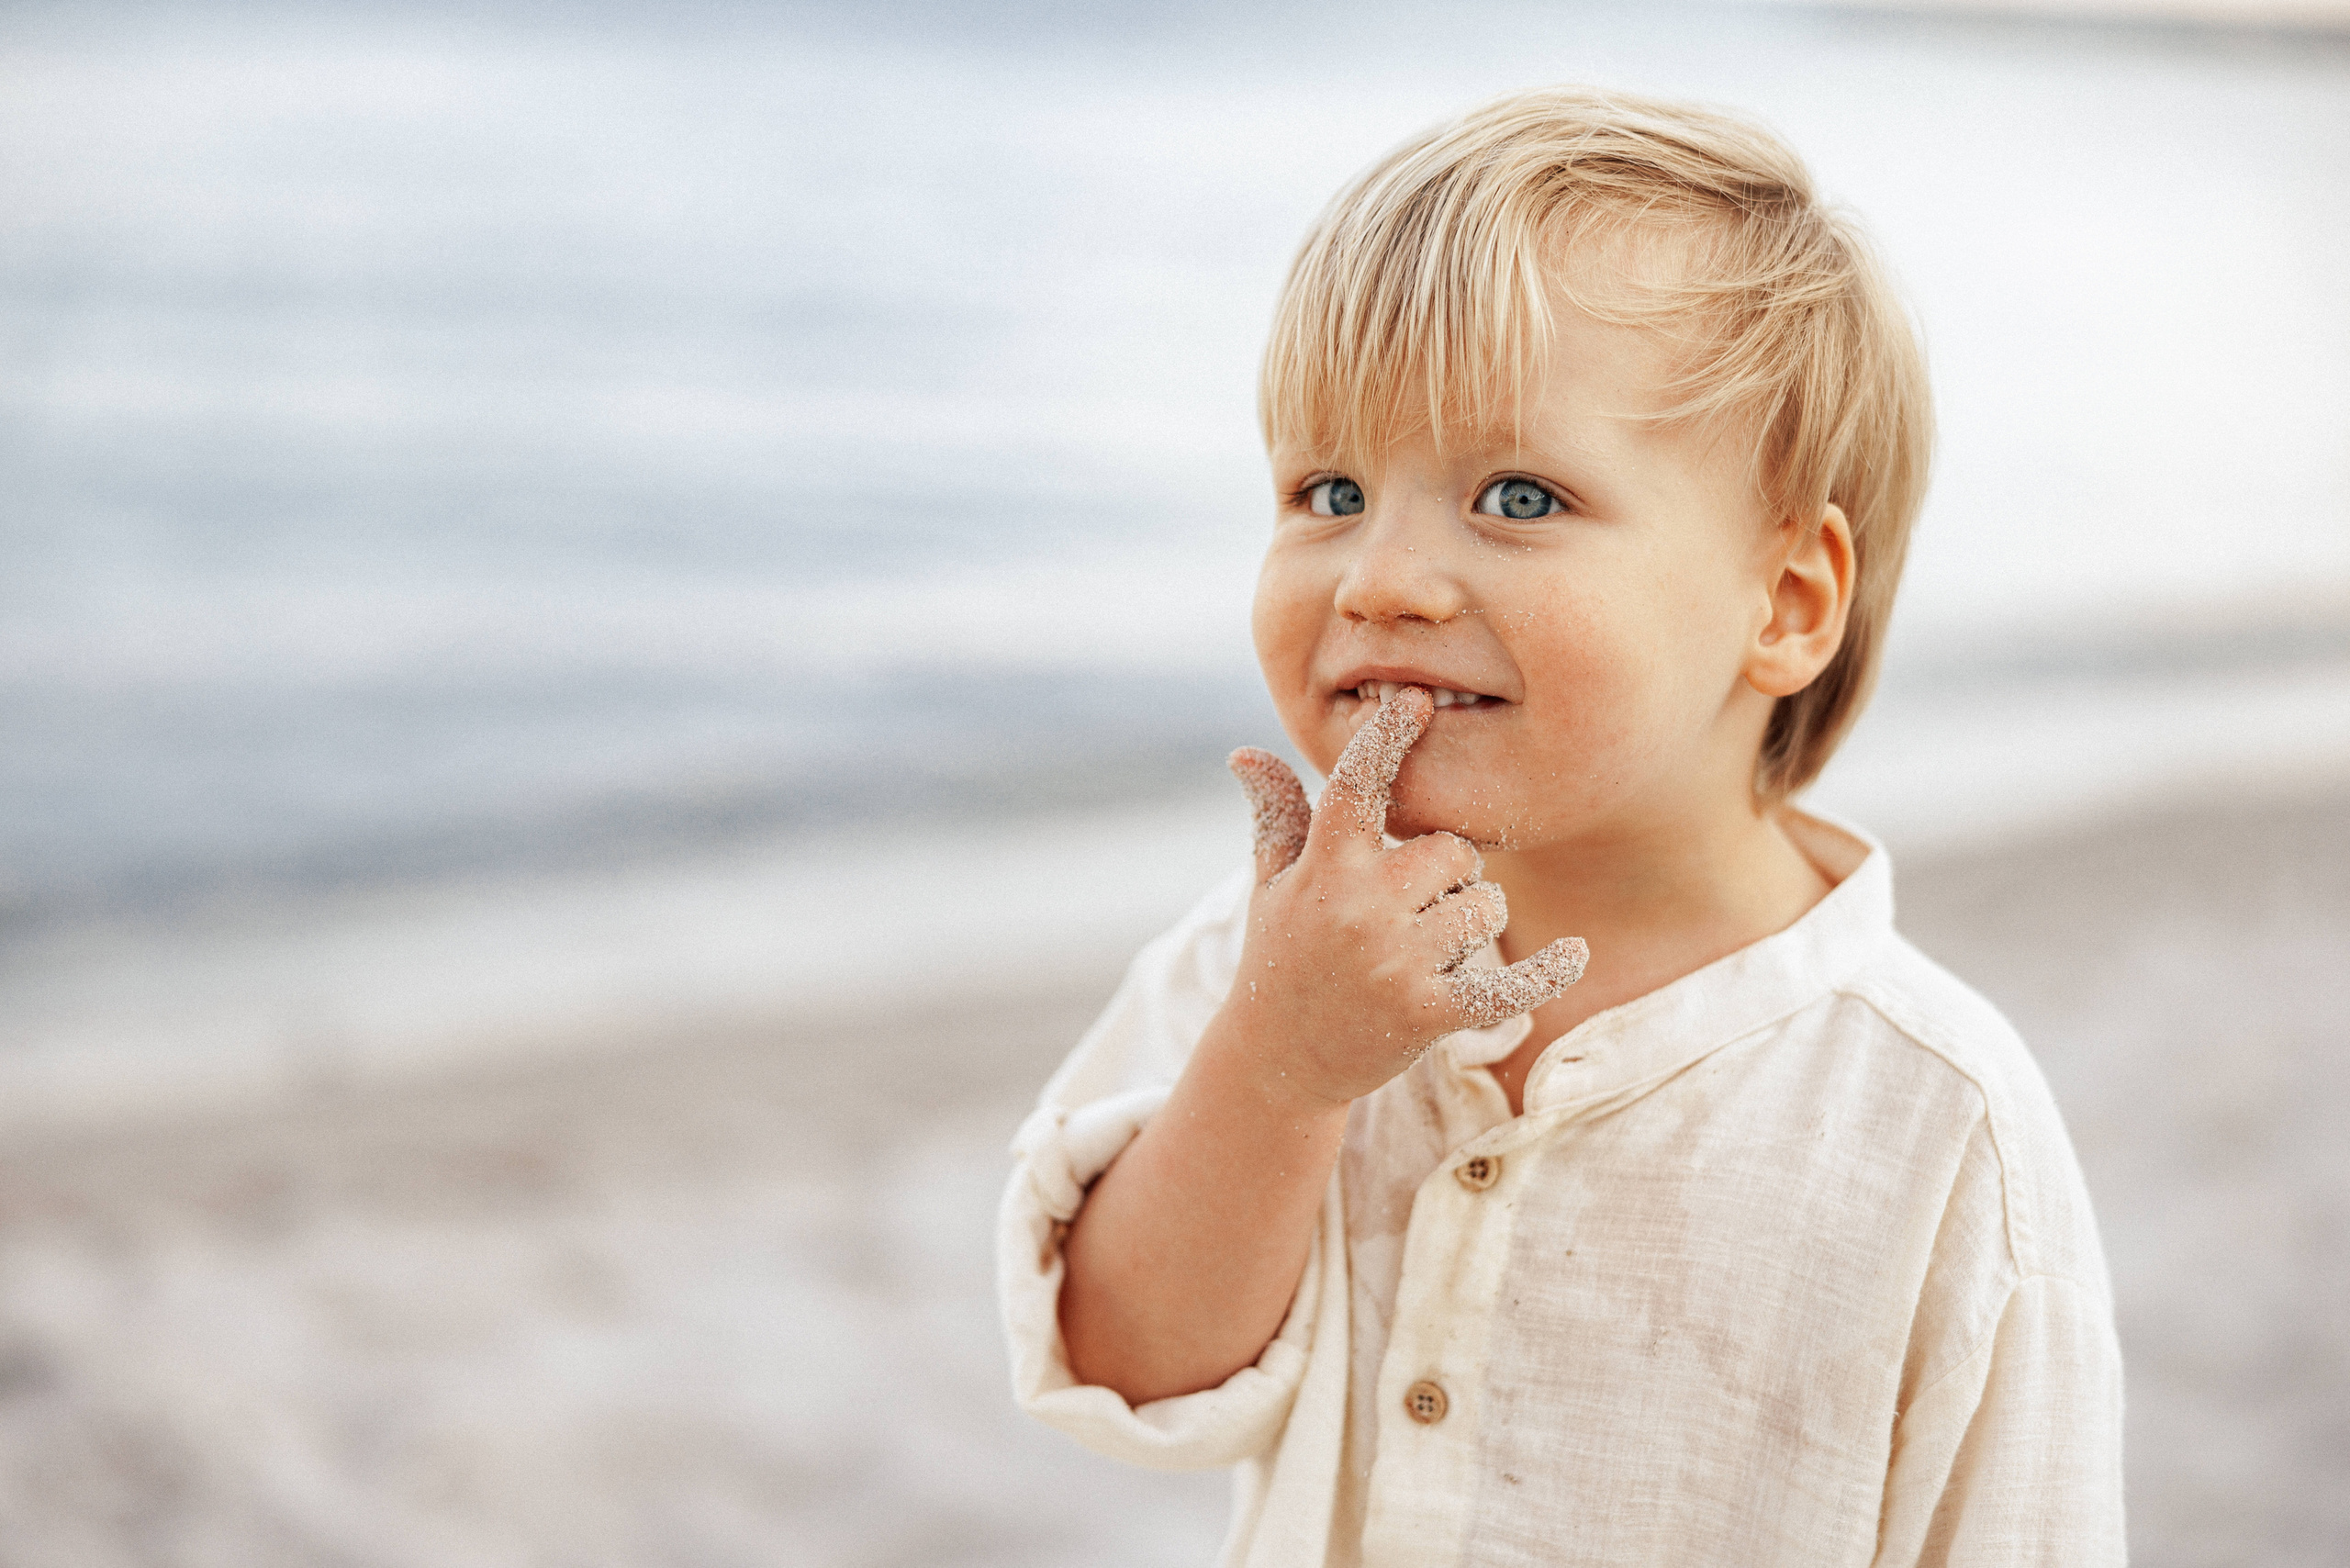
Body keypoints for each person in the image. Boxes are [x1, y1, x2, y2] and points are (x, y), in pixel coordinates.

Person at [996, 86, 2123, 1567]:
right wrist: (1281, 1067)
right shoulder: (1271, 956)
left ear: (1785, 602)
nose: (1379, 578)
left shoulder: (1932, 1118)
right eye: (1326, 490)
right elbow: (1128, 1375)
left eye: (1517, 494)